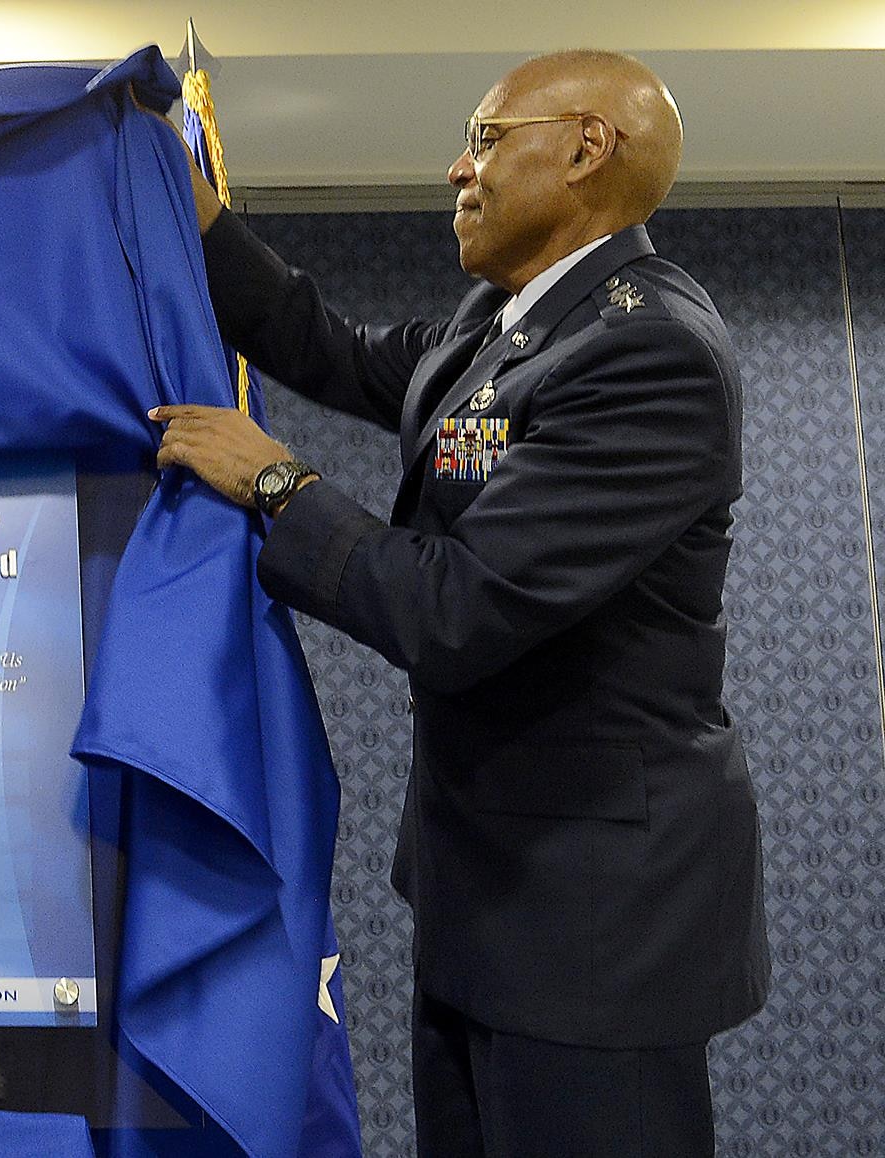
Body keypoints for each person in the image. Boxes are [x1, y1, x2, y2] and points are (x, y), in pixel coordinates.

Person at [149, 50, 768, 1156]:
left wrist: (277, 483)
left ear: (584, 148)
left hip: (595, 928)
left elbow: (459, 611)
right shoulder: (504, 324)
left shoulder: (645, 349)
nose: (454, 169)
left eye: (484, 139)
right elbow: (323, 349)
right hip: (487, 896)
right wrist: (193, 219)